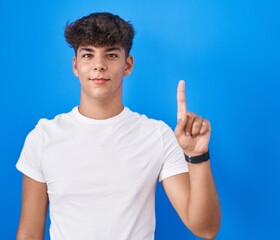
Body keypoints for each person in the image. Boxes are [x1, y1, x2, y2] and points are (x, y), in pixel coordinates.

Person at [15, 12, 220, 240]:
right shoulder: (43, 137)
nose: (99, 65)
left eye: (111, 55)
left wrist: (197, 155)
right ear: (75, 65)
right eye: (88, 55)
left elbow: (205, 228)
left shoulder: (157, 135)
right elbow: (29, 234)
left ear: (127, 65)